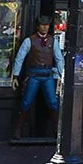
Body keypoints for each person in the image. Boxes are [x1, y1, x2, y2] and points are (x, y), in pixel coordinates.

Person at [10, 11, 60, 140]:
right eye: (42, 25)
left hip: (48, 75)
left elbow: (59, 59)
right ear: (38, 26)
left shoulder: (53, 41)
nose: (45, 27)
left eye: (47, 25)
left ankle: (57, 130)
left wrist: (62, 74)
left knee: (53, 103)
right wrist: (15, 75)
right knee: (26, 102)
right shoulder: (29, 41)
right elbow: (20, 58)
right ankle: (18, 129)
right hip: (33, 75)